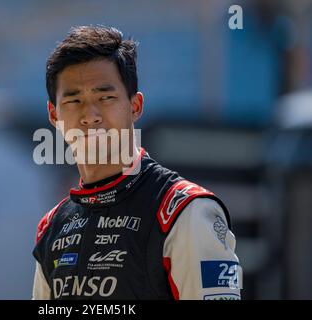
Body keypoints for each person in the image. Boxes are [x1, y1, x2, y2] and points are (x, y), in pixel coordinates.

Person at [32, 25, 242, 300]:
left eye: (105, 97)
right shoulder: (52, 228)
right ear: (53, 116)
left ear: (135, 106)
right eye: (74, 100)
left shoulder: (185, 212)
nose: (90, 115)